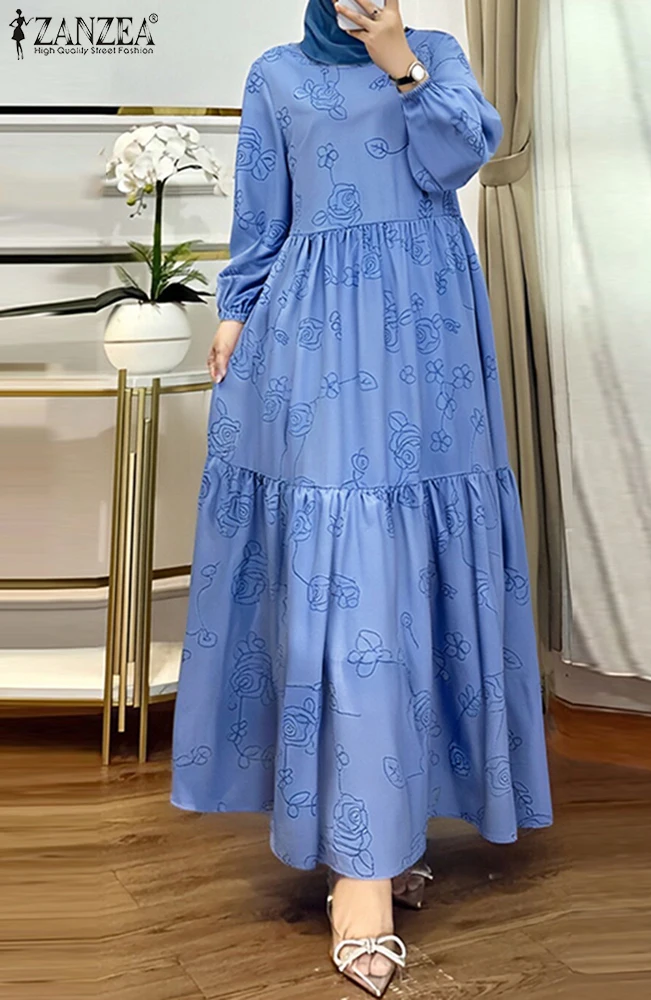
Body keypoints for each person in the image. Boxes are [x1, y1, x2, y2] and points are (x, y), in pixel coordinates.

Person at [171, 0, 553, 995]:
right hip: (315, 333)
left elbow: (459, 157)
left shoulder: (435, 54)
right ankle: (363, 870)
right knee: (348, 582)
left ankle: (386, 827)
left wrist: (399, 63)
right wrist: (235, 311)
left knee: (407, 578)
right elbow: (263, 212)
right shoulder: (275, 74)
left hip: (430, 336)